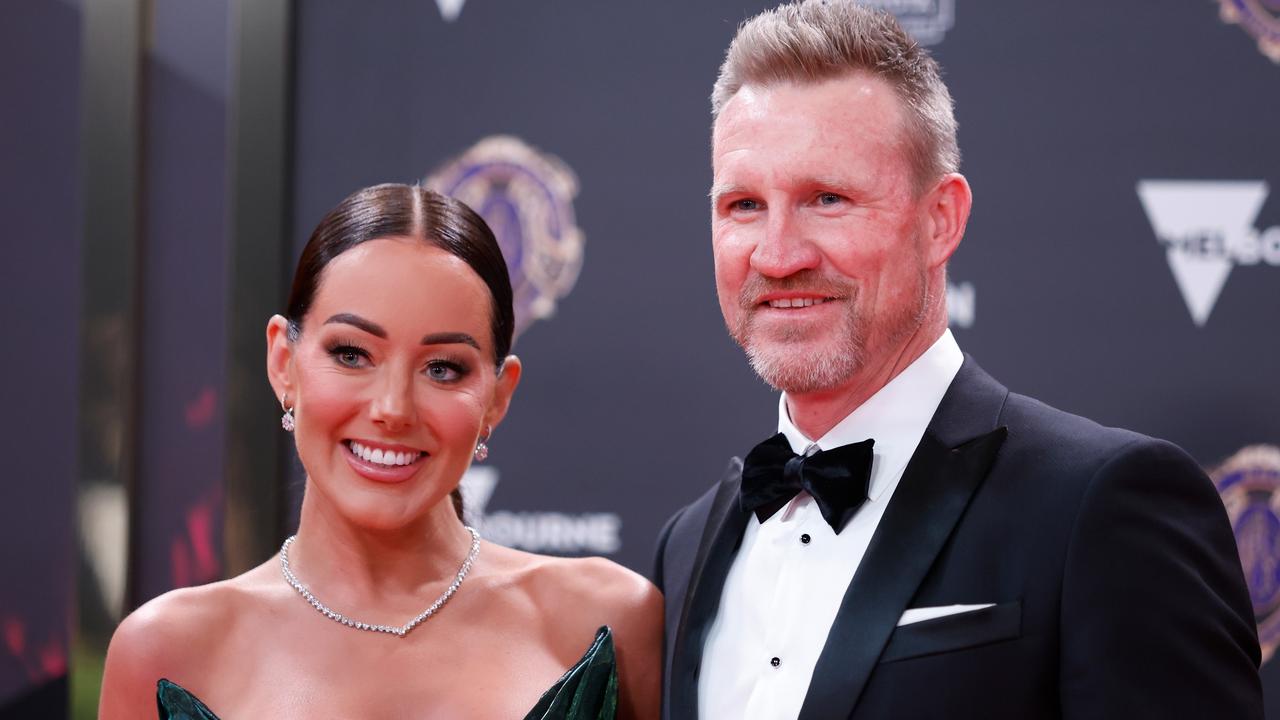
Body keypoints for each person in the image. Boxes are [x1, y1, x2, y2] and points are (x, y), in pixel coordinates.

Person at [652, 3, 1262, 718]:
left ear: (941, 219)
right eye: (744, 205)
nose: (780, 255)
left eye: (828, 198)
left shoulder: (1101, 506)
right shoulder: (686, 545)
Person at [100, 184, 662, 719]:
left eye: (442, 369)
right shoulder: (166, 651)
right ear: (282, 363)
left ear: (497, 396)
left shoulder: (609, 621)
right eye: (352, 354)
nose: (393, 408)